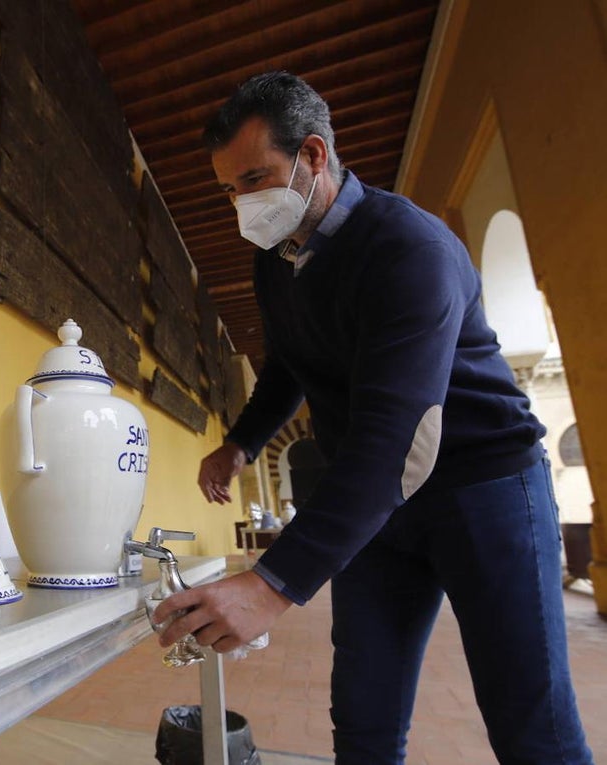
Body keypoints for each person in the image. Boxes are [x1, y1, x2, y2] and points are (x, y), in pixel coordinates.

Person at [152, 71, 594, 764]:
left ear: (315, 156)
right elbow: (289, 363)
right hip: (378, 509)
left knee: (528, 720)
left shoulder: (410, 250)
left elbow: (400, 441)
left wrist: (272, 583)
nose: (242, 202)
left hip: (484, 488)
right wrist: (242, 442)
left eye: (255, 177)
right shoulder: (275, 262)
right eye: (229, 189)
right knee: (363, 717)